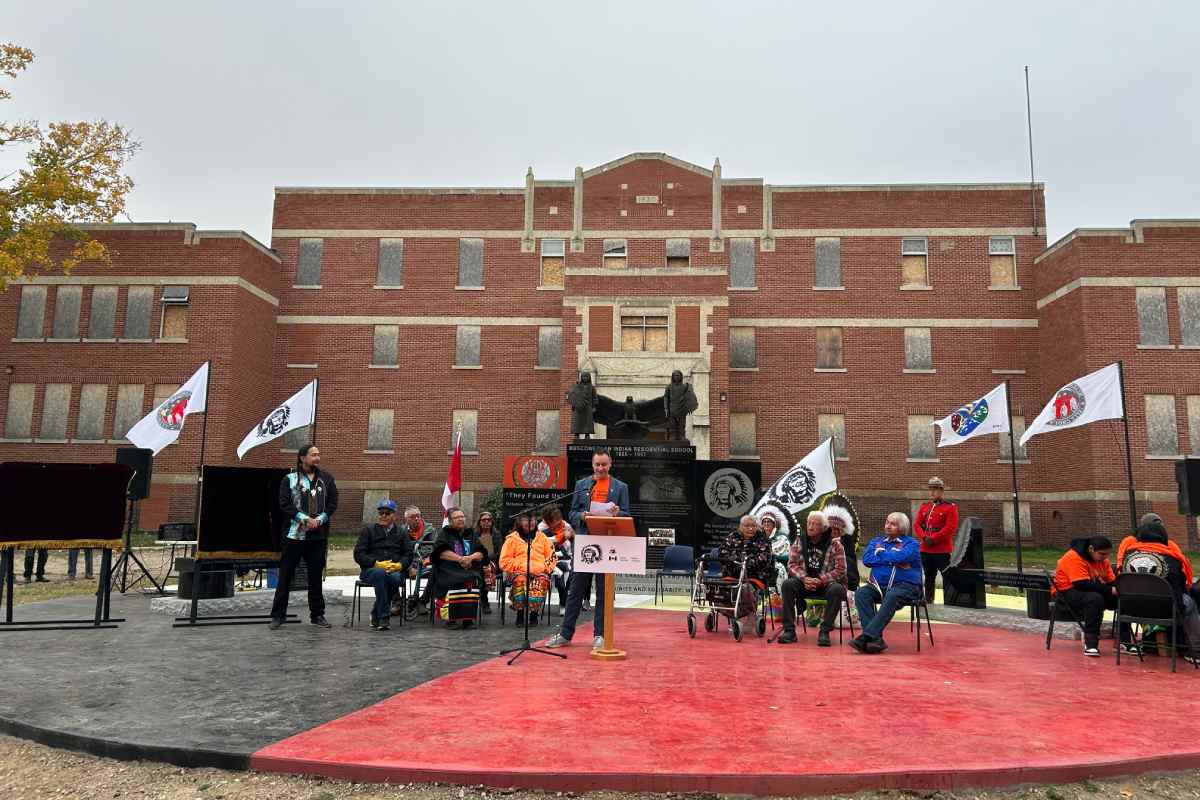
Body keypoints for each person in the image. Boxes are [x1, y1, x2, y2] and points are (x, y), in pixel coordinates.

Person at [546, 448, 631, 649]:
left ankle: (600, 635)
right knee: (575, 590)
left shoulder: (620, 487)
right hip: (585, 543)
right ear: (592, 465)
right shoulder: (582, 485)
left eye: (604, 464)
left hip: (608, 544)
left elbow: (627, 513)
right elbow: (572, 512)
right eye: (597, 465)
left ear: (610, 464)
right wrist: (581, 516)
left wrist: (618, 513)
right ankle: (566, 634)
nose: (600, 468)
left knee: (604, 591)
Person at [269, 444, 339, 631]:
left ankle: (317, 615)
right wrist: (304, 518)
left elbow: (333, 503)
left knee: (315, 577)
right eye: (313, 454)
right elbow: (284, 504)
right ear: (302, 458)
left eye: (318, 454)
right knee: (285, 575)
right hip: (294, 536)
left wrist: (320, 519)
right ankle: (278, 615)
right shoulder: (289, 479)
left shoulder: (327, 479)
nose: (317, 457)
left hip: (317, 537)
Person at [1117, 516, 1199, 662]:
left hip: (1131, 608)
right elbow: (1181, 586)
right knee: (1190, 602)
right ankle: (1195, 651)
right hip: (1165, 610)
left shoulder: (1127, 555)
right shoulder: (1173, 558)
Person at [851, 512, 923, 654]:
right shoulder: (876, 542)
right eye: (887, 522)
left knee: (892, 595)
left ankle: (867, 637)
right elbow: (867, 560)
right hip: (879, 586)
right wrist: (893, 560)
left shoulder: (911, 544)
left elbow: (902, 556)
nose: (888, 526)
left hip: (907, 586)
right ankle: (876, 640)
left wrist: (882, 554)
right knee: (861, 593)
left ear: (902, 528)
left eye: (893, 524)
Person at [778, 510, 848, 646]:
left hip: (826, 584)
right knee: (787, 584)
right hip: (805, 583)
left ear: (823, 528)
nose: (810, 527)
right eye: (809, 523)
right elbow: (791, 564)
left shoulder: (835, 545)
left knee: (837, 589)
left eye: (815, 524)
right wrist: (805, 578)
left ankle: (825, 631)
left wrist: (821, 580)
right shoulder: (799, 541)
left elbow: (841, 570)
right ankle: (789, 631)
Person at [1052, 535, 1119, 657]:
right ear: (1091, 549)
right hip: (1066, 592)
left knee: (1122, 598)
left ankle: (1123, 640)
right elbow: (1081, 583)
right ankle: (1091, 644)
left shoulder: (1103, 561)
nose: (1105, 558)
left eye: (1107, 554)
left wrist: (1120, 589)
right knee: (1094, 599)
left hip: (1089, 589)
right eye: (1102, 554)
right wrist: (1110, 590)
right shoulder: (1074, 557)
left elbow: (1111, 581)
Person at [353, 499, 414, 631]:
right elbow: (358, 554)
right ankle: (384, 616)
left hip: (393, 570)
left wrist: (399, 565)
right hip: (371, 570)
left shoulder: (402, 532)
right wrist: (375, 563)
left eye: (387, 513)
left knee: (395, 578)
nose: (383, 516)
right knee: (380, 574)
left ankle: (376, 611)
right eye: (381, 513)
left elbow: (408, 554)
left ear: (394, 515)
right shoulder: (368, 531)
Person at [430, 507, 488, 629]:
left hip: (469, 567)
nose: (461, 519)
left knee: (472, 578)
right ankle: (451, 619)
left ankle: (468, 619)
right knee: (453, 580)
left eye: (462, 516)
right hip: (449, 568)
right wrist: (460, 559)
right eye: (457, 517)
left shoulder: (470, 533)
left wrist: (470, 558)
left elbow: (481, 551)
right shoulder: (445, 533)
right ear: (450, 521)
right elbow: (440, 552)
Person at [710, 515, 774, 625]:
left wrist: (743, 565)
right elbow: (723, 553)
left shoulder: (763, 540)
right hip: (732, 575)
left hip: (753, 577)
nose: (750, 529)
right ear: (740, 526)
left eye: (753, 526)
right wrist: (736, 565)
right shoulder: (732, 537)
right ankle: (730, 613)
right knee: (718, 589)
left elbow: (763, 560)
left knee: (745, 588)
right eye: (747, 526)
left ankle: (745, 614)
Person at [500, 511, 556, 624]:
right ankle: (520, 614)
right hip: (519, 572)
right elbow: (504, 560)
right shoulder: (511, 539)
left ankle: (534, 614)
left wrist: (544, 569)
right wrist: (521, 567)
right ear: (519, 522)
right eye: (526, 519)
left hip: (539, 572)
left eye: (533, 519)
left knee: (540, 581)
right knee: (520, 580)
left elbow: (552, 557)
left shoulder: (543, 538)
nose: (530, 522)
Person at [915, 477, 958, 603]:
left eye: (935, 489)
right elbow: (917, 525)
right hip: (925, 548)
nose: (932, 492)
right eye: (931, 489)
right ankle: (929, 601)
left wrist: (933, 538)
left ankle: (949, 602)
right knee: (928, 577)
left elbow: (950, 528)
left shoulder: (950, 507)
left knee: (947, 576)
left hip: (941, 549)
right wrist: (923, 537)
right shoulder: (925, 507)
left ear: (941, 491)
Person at [539, 506, 575, 615]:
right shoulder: (541, 528)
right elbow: (542, 543)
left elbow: (572, 541)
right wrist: (560, 538)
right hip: (547, 560)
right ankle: (538, 603)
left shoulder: (565, 525)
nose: (559, 522)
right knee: (558, 576)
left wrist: (571, 536)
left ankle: (563, 604)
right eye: (556, 520)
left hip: (565, 558)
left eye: (560, 519)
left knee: (566, 574)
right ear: (548, 520)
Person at [823, 504, 860, 590]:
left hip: (844, 576)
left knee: (847, 560)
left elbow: (850, 560)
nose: (834, 532)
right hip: (824, 574)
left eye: (837, 529)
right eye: (831, 529)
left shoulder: (846, 540)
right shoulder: (822, 538)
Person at [663, 369, 698, 441]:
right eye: (675, 375)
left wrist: (690, 406)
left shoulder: (685, 386)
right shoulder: (669, 387)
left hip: (682, 408)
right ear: (672, 377)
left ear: (681, 377)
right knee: (673, 425)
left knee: (682, 424)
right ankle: (673, 436)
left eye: (678, 375)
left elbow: (689, 396)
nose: (677, 377)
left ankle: (682, 436)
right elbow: (666, 397)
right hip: (672, 409)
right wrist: (666, 408)